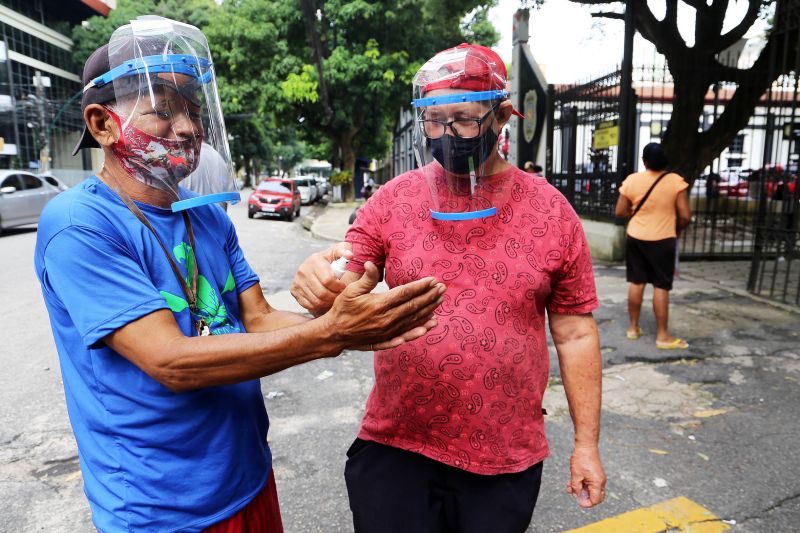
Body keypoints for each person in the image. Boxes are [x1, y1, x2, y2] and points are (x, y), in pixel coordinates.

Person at [33, 17, 443, 533]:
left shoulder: (203, 212)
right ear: (102, 125)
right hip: (158, 507)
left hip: (246, 477)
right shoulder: (79, 224)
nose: (187, 128)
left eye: (193, 111)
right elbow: (171, 361)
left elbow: (259, 316)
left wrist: (359, 326)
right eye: (163, 111)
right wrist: (332, 333)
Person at [292, 43, 606, 533]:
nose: (445, 134)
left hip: (504, 454)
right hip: (397, 445)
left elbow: (576, 334)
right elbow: (350, 270)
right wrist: (323, 276)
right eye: (434, 120)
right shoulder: (394, 199)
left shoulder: (550, 210)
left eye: (462, 119)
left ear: (501, 117)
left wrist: (586, 445)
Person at [615, 142, 692, 349]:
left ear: (644, 161)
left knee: (637, 282)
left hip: (636, 236)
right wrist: (676, 229)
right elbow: (685, 215)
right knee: (661, 286)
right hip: (663, 239)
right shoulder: (676, 182)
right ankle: (662, 336)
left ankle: (632, 328)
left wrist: (636, 213)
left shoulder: (632, 181)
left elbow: (620, 211)